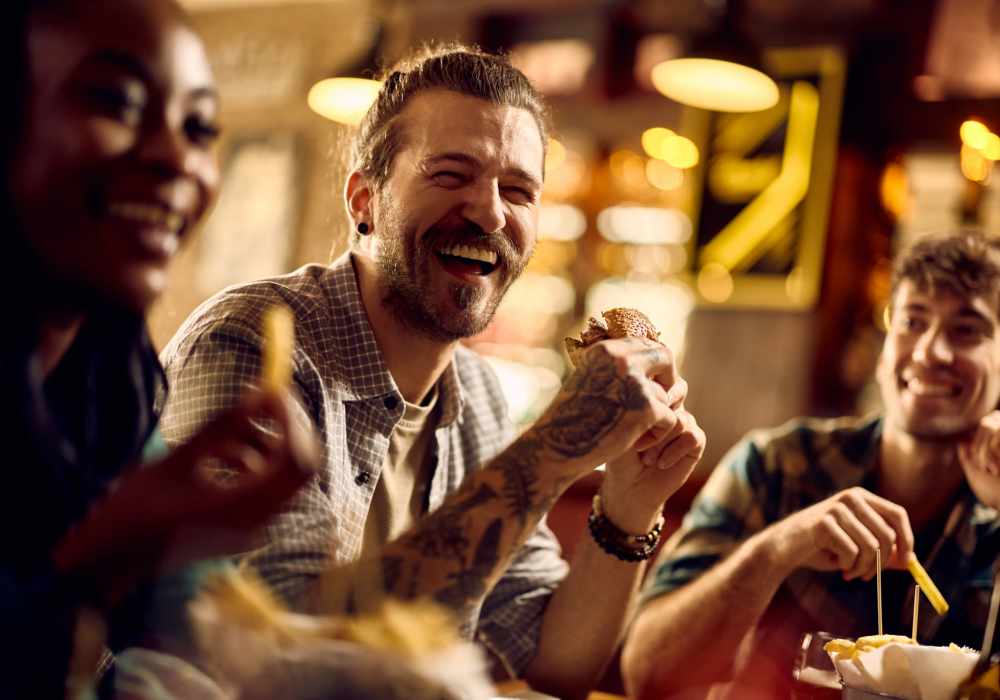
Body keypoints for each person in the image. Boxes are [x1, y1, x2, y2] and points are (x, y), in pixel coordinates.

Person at [159, 44, 706, 698]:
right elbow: (278, 656)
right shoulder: (256, 345)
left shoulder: (477, 396)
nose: (491, 212)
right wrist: (553, 450)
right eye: (451, 175)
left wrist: (630, 505)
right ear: (364, 200)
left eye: (518, 190)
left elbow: (557, 662)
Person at [0, 1, 317, 696]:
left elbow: (199, 638)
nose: (177, 158)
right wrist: (101, 562)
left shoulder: (110, 381)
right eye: (116, 103)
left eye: (199, 127)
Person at [623, 230, 1000, 700]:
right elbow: (646, 673)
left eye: (967, 330)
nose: (929, 352)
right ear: (884, 352)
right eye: (912, 322)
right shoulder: (776, 465)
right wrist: (780, 547)